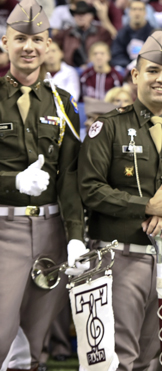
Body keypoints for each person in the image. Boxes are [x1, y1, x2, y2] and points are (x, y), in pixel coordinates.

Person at [78, 30, 162, 370]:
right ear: (135, 75)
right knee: (117, 359)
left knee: (156, 358)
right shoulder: (108, 127)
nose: (161, 79)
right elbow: (89, 188)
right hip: (117, 258)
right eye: (153, 71)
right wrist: (146, 207)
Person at [0, 0, 86, 367]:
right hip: (4, 228)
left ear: (49, 45)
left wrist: (76, 236)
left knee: (32, 343)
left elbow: (70, 177)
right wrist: (12, 181)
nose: (28, 46)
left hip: (50, 231)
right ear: (5, 42)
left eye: (37, 39)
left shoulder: (64, 105)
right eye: (20, 38)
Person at [53, 1, 113, 69]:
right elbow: (53, 45)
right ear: (74, 16)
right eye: (78, 13)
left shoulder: (102, 32)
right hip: (70, 69)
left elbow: (108, 51)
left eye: (84, 13)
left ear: (91, 15)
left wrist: (90, 64)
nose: (81, 16)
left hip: (94, 69)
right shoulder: (65, 33)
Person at [110, 0, 154, 69]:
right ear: (129, 12)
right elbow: (117, 55)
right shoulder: (122, 33)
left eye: (140, 9)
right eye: (134, 9)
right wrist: (129, 66)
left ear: (145, 13)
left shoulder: (154, 34)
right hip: (126, 70)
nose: (137, 13)